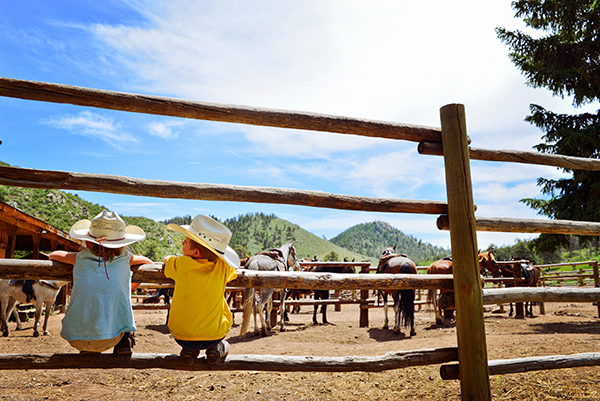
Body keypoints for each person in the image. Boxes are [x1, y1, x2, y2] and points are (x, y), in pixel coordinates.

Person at [49, 210, 153, 355]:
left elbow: (53, 255)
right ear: (121, 243)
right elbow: (148, 262)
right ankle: (125, 341)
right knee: (122, 301)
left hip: (76, 337)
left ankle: (89, 346)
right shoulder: (126, 258)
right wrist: (129, 289)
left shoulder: (79, 257)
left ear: (88, 241)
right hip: (113, 338)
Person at [163, 215, 240, 366]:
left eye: (185, 241)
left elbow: (166, 260)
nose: (182, 242)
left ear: (196, 253)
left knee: (188, 331)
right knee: (222, 336)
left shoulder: (180, 263)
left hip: (180, 335)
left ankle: (188, 352)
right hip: (213, 335)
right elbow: (234, 271)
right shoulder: (222, 267)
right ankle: (215, 349)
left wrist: (170, 258)